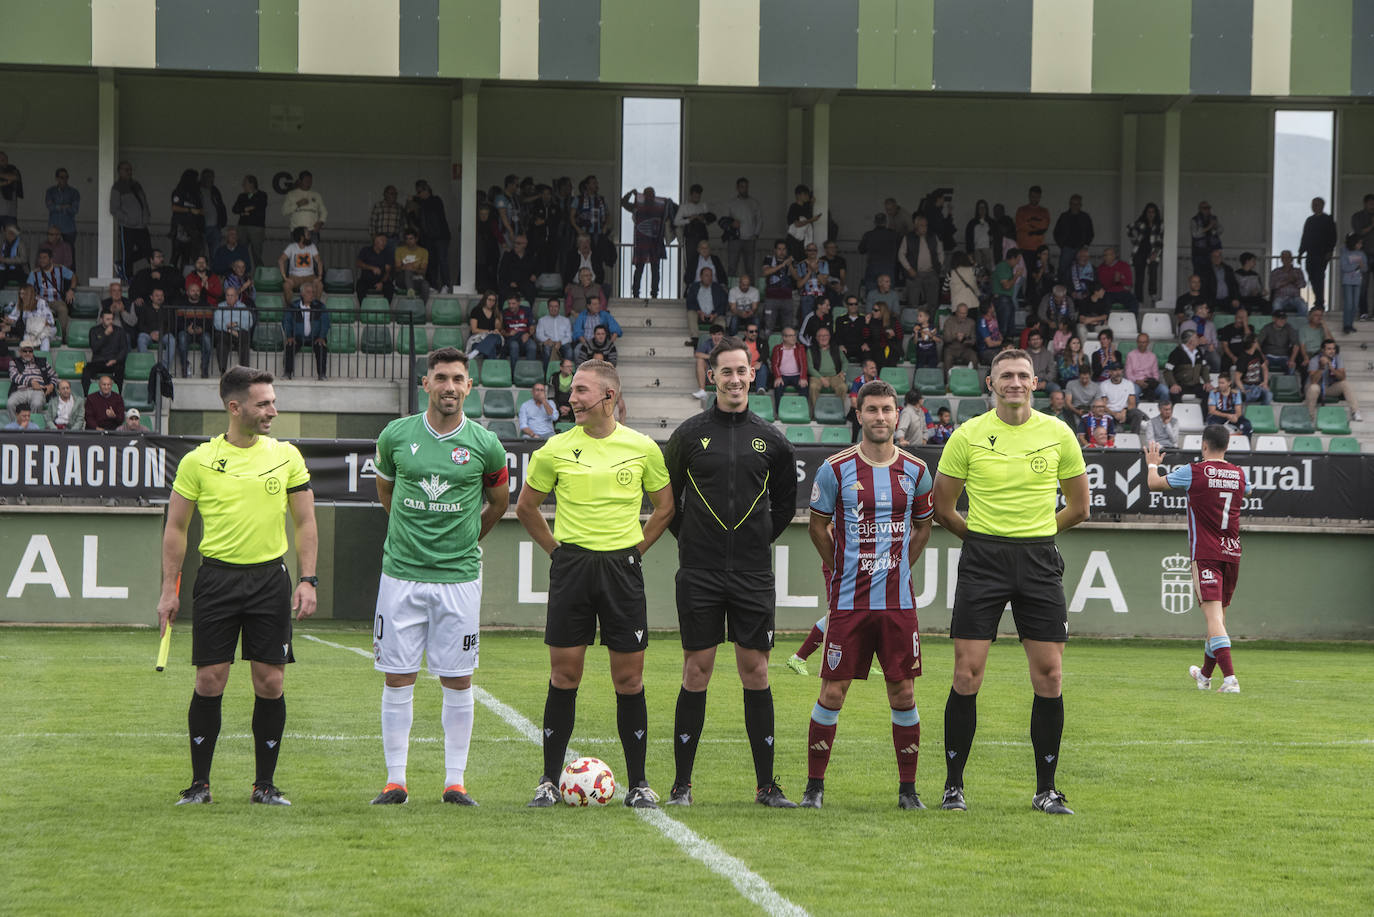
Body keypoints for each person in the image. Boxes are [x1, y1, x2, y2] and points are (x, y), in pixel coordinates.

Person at [933, 349, 1091, 815]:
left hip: (1040, 560)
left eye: (1023, 375)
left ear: (1036, 383)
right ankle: (953, 788)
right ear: (991, 383)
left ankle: (1047, 790)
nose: (1015, 382)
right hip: (983, 560)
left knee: (1050, 675)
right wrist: (983, 539)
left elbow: (1080, 507)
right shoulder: (968, 435)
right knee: (967, 673)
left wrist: (1036, 535)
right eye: (1007, 376)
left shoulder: (1059, 433)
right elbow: (943, 507)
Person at [516, 361, 675, 809]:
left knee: (629, 679)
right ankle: (548, 781)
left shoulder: (643, 447)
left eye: (581, 391)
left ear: (609, 396)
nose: (572, 399)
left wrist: (634, 552)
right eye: (572, 391)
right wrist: (558, 553)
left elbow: (664, 507)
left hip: (622, 570)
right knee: (564, 675)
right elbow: (527, 507)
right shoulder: (555, 449)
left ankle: (639, 784)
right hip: (573, 568)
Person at [158, 366, 319, 806]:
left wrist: (308, 579)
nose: (273, 410)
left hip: (270, 581)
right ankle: (199, 786)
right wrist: (169, 590)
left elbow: (305, 521)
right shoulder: (197, 461)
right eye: (263, 403)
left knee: (270, 683)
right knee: (210, 681)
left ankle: (264, 786)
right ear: (235, 407)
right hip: (216, 580)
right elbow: (176, 528)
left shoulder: (287, 455)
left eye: (272, 401)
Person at [368, 349, 509, 806]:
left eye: (458, 379)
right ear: (424, 384)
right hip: (401, 575)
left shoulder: (486, 445)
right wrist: (409, 536)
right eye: (441, 378)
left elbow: (499, 503)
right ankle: (395, 782)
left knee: (458, 679)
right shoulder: (395, 435)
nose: (450, 386)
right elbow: (386, 491)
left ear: (469, 387)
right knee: (397, 676)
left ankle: (455, 782)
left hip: (458, 578)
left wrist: (467, 537)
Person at [661, 336, 797, 808]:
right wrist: (696, 539)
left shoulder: (773, 439)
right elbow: (666, 503)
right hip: (698, 572)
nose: (735, 379)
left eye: (742, 371)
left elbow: (783, 507)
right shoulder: (687, 435)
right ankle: (682, 785)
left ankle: (766, 786)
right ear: (713, 377)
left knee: (756, 671)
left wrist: (753, 542)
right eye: (726, 372)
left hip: (752, 574)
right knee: (696, 671)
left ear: (752, 374)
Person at [801, 379, 935, 810]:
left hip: (898, 605)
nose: (880, 417)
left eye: (887, 410)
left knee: (904, 694)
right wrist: (842, 567)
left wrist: (897, 568)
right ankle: (814, 788)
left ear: (898, 416)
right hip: (848, 604)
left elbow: (923, 527)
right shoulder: (835, 468)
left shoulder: (916, 471)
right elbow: (817, 527)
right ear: (858, 415)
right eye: (872, 410)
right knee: (832, 693)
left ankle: (908, 791)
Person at [1145, 428, 1252, 694]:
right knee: (1218, 619)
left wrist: (1152, 465)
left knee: (1214, 619)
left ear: (1204, 445)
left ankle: (1230, 680)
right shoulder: (1239, 475)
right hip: (1233, 552)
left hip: (1206, 554)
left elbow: (1154, 484)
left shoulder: (1194, 471)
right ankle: (1204, 676)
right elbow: (1247, 491)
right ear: (1227, 446)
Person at [622, 187, 669, 299]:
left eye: (651, 194)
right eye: (648, 194)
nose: (650, 196)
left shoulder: (660, 206)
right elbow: (623, 203)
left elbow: (671, 210)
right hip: (643, 242)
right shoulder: (638, 206)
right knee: (640, 268)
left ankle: (653, 293)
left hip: (654, 242)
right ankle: (636, 293)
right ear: (643, 196)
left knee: (654, 269)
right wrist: (630, 194)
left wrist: (667, 203)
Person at [110, 161, 153, 281]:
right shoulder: (117, 187)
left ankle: (121, 264)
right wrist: (127, 219)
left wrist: (146, 216)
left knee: (147, 250)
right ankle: (127, 276)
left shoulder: (136, 184)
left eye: (130, 169)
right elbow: (114, 208)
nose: (128, 172)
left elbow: (144, 202)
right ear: (119, 171)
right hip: (127, 226)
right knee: (127, 252)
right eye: (125, 169)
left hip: (141, 225)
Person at [282, 279, 330, 381]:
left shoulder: (320, 306)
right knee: (290, 346)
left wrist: (321, 337)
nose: (312, 294)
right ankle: (287, 373)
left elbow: (325, 323)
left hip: (315, 337)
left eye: (313, 292)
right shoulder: (293, 306)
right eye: (309, 292)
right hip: (298, 337)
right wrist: (289, 336)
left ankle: (322, 374)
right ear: (302, 294)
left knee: (321, 346)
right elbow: (286, 321)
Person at [1305, 339, 1362, 423]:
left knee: (1345, 384)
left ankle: (1355, 412)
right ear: (1323, 350)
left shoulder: (1337, 358)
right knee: (1314, 387)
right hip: (1314, 387)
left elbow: (1343, 377)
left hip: (1328, 387)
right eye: (1329, 349)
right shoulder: (1314, 359)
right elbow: (1313, 381)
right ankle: (1309, 417)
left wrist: (1331, 367)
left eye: (1333, 348)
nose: (1332, 351)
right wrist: (1321, 367)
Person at [1299, 197, 1337, 309]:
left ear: (1322, 206)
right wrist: (1301, 252)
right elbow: (1305, 237)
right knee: (1312, 276)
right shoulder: (1309, 220)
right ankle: (1318, 300)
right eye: (1313, 204)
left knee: (1319, 277)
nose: (1314, 207)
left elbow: (1333, 237)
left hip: (1322, 254)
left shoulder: (1328, 219)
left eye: (1316, 204)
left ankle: (1320, 303)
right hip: (1310, 253)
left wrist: (1330, 251)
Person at [82, 309, 129, 394]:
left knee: (120, 369)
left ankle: (118, 395)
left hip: (114, 361)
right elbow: (94, 348)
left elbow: (124, 349)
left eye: (111, 319)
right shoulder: (94, 330)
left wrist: (115, 360)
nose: (110, 321)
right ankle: (87, 395)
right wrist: (105, 334)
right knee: (86, 371)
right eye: (107, 319)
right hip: (99, 361)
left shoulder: (120, 331)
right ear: (101, 319)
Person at [213, 284, 256, 374]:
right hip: (225, 333)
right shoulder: (220, 306)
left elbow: (249, 322)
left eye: (232, 295)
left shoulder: (243, 307)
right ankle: (223, 371)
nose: (229, 297)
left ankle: (244, 371)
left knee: (245, 337)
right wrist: (229, 329)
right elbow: (217, 323)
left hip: (239, 333)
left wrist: (236, 323)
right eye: (227, 295)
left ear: (237, 297)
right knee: (220, 338)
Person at [6, 340, 55, 417]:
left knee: (37, 403)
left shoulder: (42, 361)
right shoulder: (14, 361)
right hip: (20, 391)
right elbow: (13, 376)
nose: (28, 353)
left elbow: (54, 375)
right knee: (10, 403)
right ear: (20, 352)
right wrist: (30, 382)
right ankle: (16, 426)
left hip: (38, 391)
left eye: (30, 351)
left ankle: (32, 427)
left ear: (33, 352)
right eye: (25, 351)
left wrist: (52, 385)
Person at [278, 226, 322, 305]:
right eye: (308, 234)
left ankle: (315, 308)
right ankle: (290, 309)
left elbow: (319, 261)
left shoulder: (312, 246)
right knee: (286, 286)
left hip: (310, 276)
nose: (310, 236)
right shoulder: (291, 247)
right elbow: (281, 260)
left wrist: (319, 276)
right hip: (294, 277)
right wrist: (285, 277)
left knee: (319, 285)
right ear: (302, 237)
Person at [231, 175, 268, 269]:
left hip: (256, 227)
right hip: (242, 226)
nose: (243, 185)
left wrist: (244, 210)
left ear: (252, 184)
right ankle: (242, 273)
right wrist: (245, 209)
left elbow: (259, 207)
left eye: (245, 183)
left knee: (256, 253)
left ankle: (259, 275)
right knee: (241, 251)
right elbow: (235, 209)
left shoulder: (262, 195)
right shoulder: (242, 196)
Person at [281, 170, 327, 235]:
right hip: (296, 231)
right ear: (300, 181)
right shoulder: (291, 194)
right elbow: (284, 211)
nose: (309, 183)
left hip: (312, 231)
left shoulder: (316, 195)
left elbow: (324, 211)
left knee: (313, 245)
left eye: (310, 181)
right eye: (306, 180)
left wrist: (320, 222)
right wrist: (297, 204)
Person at [1339, 233, 1367, 335]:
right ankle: (1346, 325)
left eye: (1361, 243)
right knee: (1349, 304)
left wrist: (1362, 266)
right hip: (1347, 282)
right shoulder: (1346, 253)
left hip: (1357, 281)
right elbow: (1344, 267)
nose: (1360, 245)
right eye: (1358, 243)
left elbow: (1365, 268)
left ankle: (1350, 324)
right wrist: (1355, 266)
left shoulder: (1362, 254)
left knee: (1355, 305)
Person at [356, 233, 395, 302]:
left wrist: (382, 283)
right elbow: (359, 263)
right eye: (382, 240)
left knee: (389, 287)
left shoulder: (388, 253)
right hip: (366, 280)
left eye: (385, 241)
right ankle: (363, 308)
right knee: (360, 286)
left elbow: (387, 271)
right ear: (375, 241)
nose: (384, 243)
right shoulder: (366, 250)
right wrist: (372, 268)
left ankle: (386, 309)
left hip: (381, 280)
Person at [535, 297, 572, 368]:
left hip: (562, 344)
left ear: (559, 308)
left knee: (569, 351)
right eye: (551, 306)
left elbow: (569, 337)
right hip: (549, 343)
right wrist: (547, 340)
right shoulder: (542, 320)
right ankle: (547, 374)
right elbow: (539, 334)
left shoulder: (565, 320)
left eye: (556, 306)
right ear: (548, 307)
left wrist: (560, 342)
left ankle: (568, 374)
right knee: (546, 350)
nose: (553, 309)